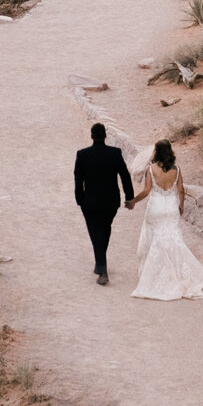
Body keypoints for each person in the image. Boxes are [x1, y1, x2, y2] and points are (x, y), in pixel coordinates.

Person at [127, 138, 203, 302]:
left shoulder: (151, 169)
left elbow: (147, 191)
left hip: (156, 207)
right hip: (171, 207)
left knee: (154, 238)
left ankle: (155, 273)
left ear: (156, 152)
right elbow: (180, 190)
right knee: (174, 240)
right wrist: (181, 205)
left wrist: (133, 201)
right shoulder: (176, 170)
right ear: (170, 152)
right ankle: (180, 275)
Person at [73, 121, 133, 286]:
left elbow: (78, 180)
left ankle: (102, 267)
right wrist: (130, 197)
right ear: (105, 136)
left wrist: (80, 200)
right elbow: (125, 176)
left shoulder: (82, 155)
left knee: (95, 234)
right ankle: (100, 264)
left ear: (91, 136)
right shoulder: (115, 153)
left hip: (90, 202)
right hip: (110, 201)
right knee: (105, 230)